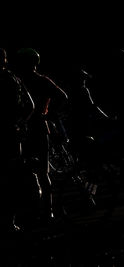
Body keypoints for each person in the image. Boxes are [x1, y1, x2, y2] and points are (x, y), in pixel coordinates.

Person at [14, 48, 69, 224]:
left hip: (28, 128)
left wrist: (49, 114)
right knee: (41, 172)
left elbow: (62, 97)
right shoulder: (41, 80)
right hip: (38, 127)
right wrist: (50, 114)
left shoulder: (21, 81)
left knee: (31, 171)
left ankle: (41, 210)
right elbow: (62, 97)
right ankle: (46, 210)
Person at [0, 48, 35, 233]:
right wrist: (19, 123)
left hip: (4, 135)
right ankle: (9, 221)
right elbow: (30, 105)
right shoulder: (14, 79)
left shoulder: (11, 79)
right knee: (10, 178)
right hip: (12, 135)